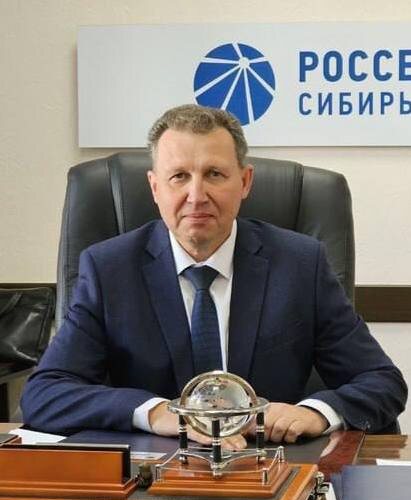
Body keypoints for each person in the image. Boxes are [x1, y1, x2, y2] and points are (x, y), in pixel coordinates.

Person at [21, 104, 407, 446]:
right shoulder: (109, 269)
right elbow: (45, 394)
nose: (196, 195)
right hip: (154, 476)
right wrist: (155, 413)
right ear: (155, 188)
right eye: (179, 176)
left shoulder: (300, 264)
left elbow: (382, 382)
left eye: (215, 174)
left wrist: (316, 413)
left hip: (270, 470)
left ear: (245, 182)